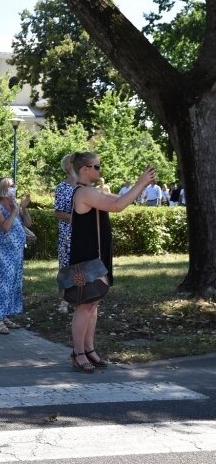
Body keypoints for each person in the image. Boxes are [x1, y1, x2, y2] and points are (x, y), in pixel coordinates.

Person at [66, 152, 154, 372]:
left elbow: (117, 200)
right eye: (96, 166)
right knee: (85, 305)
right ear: (85, 169)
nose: (99, 170)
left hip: (95, 257)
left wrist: (139, 186)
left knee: (92, 305)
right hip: (87, 257)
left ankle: (89, 349)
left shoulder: (92, 191)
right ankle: (78, 353)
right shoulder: (84, 192)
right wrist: (141, 183)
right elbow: (117, 206)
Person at [0, 177, 31, 334]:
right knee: (2, 284)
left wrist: (23, 209)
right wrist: (13, 211)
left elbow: (27, 223)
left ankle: (4, 315)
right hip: (3, 253)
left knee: (13, 285)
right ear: (1, 189)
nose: (14, 188)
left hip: (16, 252)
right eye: (10, 186)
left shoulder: (13, 205)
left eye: (14, 185)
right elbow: (5, 227)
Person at [53, 154, 77, 315]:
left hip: (84, 235)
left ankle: (81, 299)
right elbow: (58, 213)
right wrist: (78, 220)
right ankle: (64, 301)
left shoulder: (87, 187)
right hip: (67, 235)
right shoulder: (62, 187)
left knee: (83, 266)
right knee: (66, 268)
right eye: (74, 162)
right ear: (68, 167)